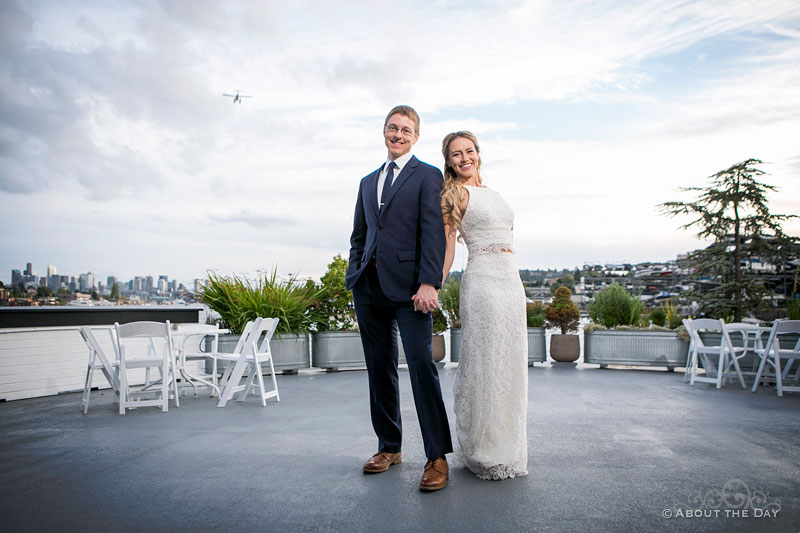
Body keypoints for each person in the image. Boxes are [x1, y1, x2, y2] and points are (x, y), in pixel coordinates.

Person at [345, 105, 453, 492]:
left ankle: (437, 456)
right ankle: (389, 447)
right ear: (384, 131)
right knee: (379, 370)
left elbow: (433, 235)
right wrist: (353, 273)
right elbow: (360, 235)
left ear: (416, 135)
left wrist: (429, 283)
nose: (398, 134)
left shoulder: (427, 176)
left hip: (412, 291)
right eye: (392, 128)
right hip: (369, 290)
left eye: (406, 129)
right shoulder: (367, 181)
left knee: (422, 366)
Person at [439, 131, 528, 480]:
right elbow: (448, 244)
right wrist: (436, 281)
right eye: (456, 154)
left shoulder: (496, 194)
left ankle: (508, 446)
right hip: (483, 282)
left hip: (511, 281)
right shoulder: (454, 194)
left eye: (469, 151)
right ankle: (484, 448)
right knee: (486, 362)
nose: (464, 158)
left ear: (478, 154)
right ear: (449, 161)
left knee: (510, 363)